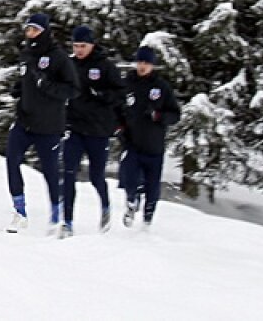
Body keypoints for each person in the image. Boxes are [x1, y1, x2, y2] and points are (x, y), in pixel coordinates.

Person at [3, 13, 77, 234]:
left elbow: (72, 89)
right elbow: (27, 78)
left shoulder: (59, 57)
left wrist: (47, 86)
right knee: (12, 160)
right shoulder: (26, 54)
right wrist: (19, 88)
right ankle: (19, 210)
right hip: (24, 120)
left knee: (50, 171)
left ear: (45, 31)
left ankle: (56, 212)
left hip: (49, 125)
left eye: (35, 30)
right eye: (28, 29)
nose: (30, 34)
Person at [62, 24, 125, 235]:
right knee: (68, 172)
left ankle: (106, 207)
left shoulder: (105, 66)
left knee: (96, 177)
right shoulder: (69, 64)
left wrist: (101, 94)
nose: (79, 50)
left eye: (83, 45)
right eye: (76, 45)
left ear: (92, 45)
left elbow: (119, 94)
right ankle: (67, 221)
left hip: (98, 129)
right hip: (75, 127)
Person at [118, 46, 181, 228]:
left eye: (146, 63)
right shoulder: (127, 83)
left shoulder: (161, 87)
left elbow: (175, 115)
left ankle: (147, 221)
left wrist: (158, 116)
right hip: (132, 142)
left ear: (153, 65)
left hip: (154, 146)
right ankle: (131, 202)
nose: (142, 66)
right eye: (140, 62)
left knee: (152, 188)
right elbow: (116, 108)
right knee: (130, 179)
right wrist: (118, 127)